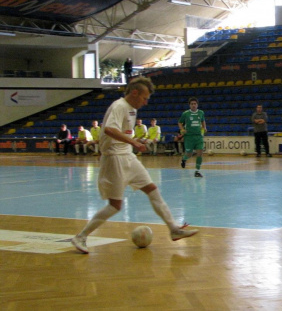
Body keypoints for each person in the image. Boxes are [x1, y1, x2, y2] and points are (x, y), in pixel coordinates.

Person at [70, 77, 198, 254]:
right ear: (135, 93)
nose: (145, 103)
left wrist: (132, 144)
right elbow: (109, 129)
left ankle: (174, 229)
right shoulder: (119, 106)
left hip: (128, 156)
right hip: (114, 158)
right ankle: (81, 236)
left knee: (152, 189)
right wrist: (134, 143)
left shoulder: (132, 110)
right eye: (144, 98)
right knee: (115, 205)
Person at [178, 97, 207, 177]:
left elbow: (203, 121)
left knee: (200, 152)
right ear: (189, 105)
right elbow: (180, 123)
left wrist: (204, 127)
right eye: (192, 104)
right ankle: (184, 159)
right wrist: (182, 129)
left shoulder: (201, 112)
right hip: (189, 137)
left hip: (198, 136)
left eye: (195, 104)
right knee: (189, 154)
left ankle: (197, 171)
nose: (193, 105)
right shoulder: (185, 114)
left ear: (197, 105)